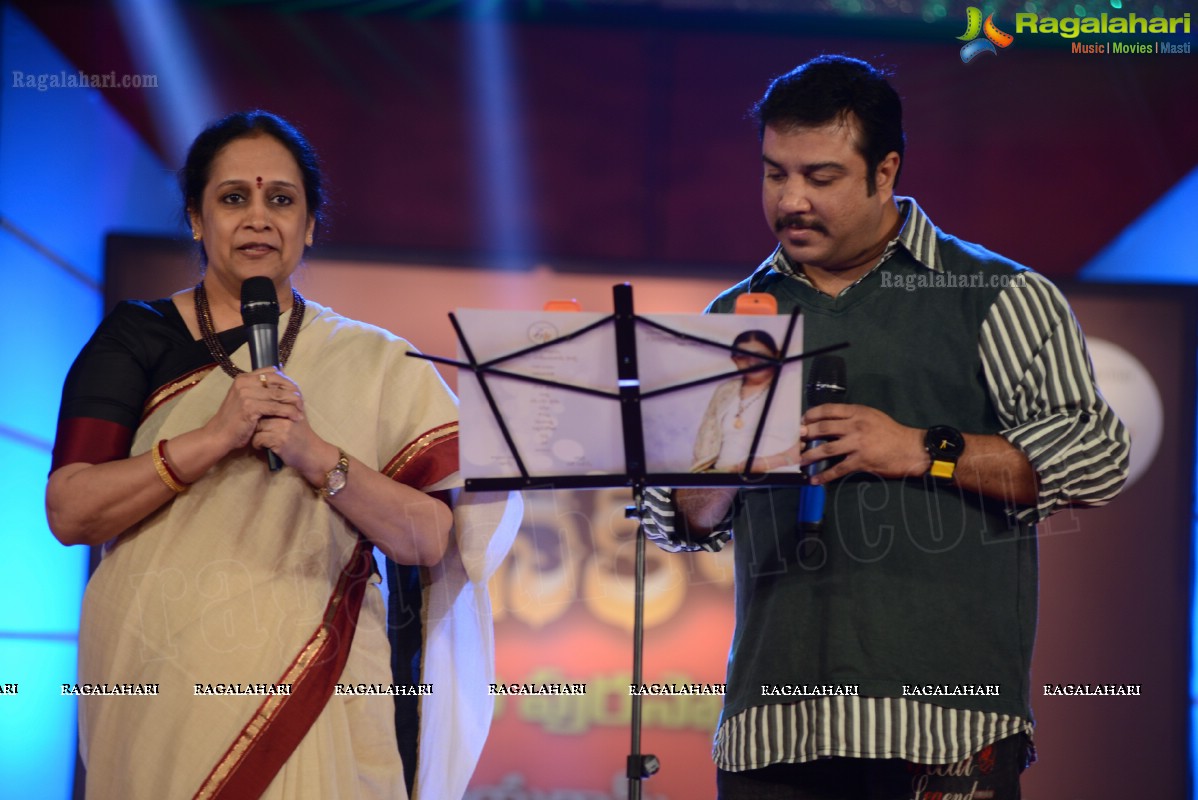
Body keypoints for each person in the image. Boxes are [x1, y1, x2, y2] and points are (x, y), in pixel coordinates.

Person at [643, 55, 1129, 799]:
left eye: (821, 177)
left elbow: (1094, 459)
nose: (791, 200)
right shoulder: (734, 317)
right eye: (775, 173)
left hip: (944, 732)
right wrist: (726, 463)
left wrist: (920, 450)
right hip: (772, 732)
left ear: (885, 171)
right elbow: (679, 521)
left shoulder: (998, 294)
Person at [45, 110, 520, 800]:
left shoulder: (376, 360)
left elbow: (431, 536)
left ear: (310, 225)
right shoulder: (134, 338)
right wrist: (213, 437)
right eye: (233, 198)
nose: (258, 217)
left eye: (281, 199)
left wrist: (316, 455)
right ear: (196, 220)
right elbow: (70, 510)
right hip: (159, 678)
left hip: (319, 688)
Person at [692, 329, 803, 473]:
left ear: (777, 355)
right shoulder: (725, 390)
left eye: (760, 355)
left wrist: (766, 463)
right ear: (734, 360)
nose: (752, 362)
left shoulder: (792, 383)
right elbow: (704, 443)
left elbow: (807, 440)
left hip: (776, 480)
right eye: (743, 356)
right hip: (722, 478)